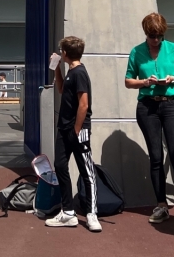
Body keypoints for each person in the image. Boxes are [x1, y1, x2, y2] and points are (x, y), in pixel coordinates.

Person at [125, 12, 174, 225]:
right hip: (148, 106)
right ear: (146, 33)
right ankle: (161, 205)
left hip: (172, 105)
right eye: (151, 35)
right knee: (156, 157)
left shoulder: (173, 48)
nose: (155, 39)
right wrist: (145, 82)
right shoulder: (137, 51)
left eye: (158, 35)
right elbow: (128, 81)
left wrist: (173, 78)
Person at [45, 36, 102, 232]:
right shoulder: (70, 72)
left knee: (86, 170)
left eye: (62, 52)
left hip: (78, 130)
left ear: (66, 53)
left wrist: (76, 130)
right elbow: (61, 90)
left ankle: (92, 214)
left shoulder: (80, 73)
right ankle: (68, 212)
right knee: (60, 166)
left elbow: (84, 104)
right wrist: (57, 70)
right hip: (64, 128)